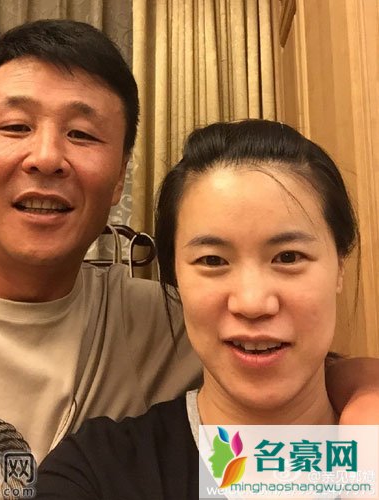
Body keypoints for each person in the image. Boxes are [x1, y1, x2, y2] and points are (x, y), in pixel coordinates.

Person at [0, 19, 376, 498]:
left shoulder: (157, 318)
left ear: (119, 178)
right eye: (15, 126)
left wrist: (366, 414)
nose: (46, 157)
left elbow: (296, 361)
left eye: (82, 134)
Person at [37, 119, 379, 499]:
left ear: (339, 266)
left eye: (288, 257)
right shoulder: (98, 472)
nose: (252, 303)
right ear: (175, 277)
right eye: (213, 260)